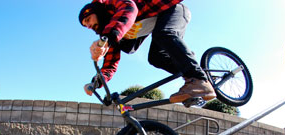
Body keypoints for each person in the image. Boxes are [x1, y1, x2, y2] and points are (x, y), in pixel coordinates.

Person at [79, 0, 216, 106]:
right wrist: (96, 83)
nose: (88, 26)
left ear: (96, 11)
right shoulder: (110, 33)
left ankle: (198, 79)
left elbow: (129, 8)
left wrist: (107, 38)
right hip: (158, 23)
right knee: (156, 58)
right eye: (85, 26)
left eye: (88, 20)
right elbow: (110, 63)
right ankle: (195, 74)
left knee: (164, 34)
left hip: (173, 10)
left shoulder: (110, 5)